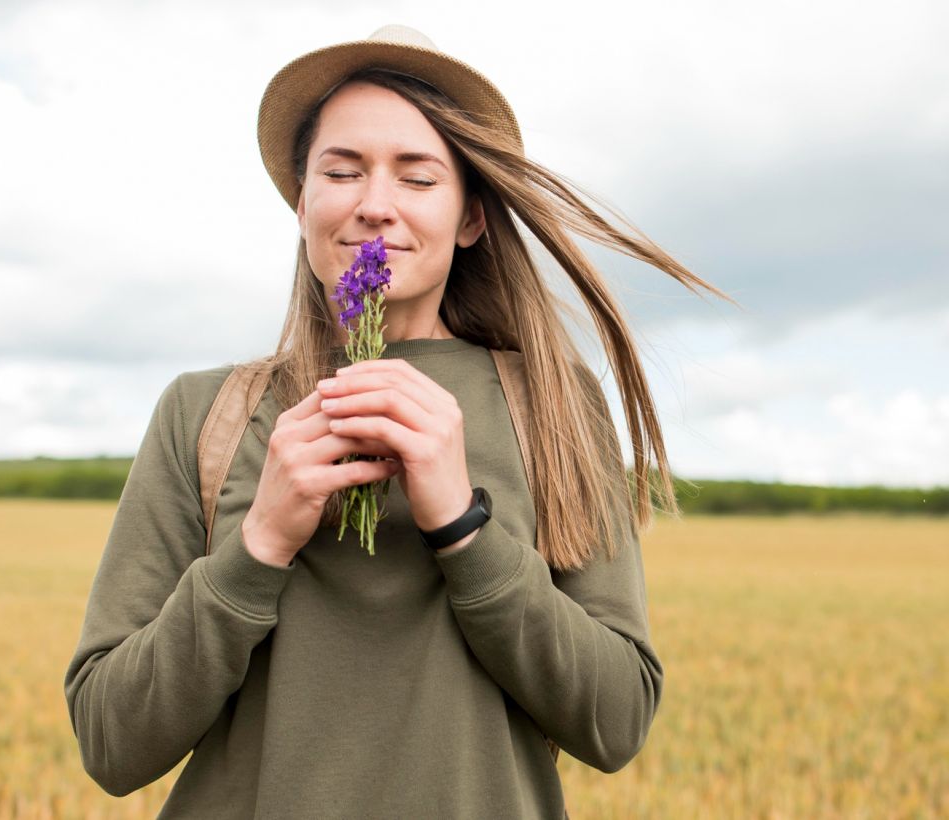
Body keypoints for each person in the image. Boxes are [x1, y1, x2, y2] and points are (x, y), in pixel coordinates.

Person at [64, 24, 728, 819]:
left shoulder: (553, 403)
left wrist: (464, 528)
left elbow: (615, 721)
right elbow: (110, 741)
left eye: (418, 179)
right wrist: (260, 545)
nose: (374, 206)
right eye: (340, 172)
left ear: (472, 217)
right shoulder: (204, 415)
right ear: (302, 200)